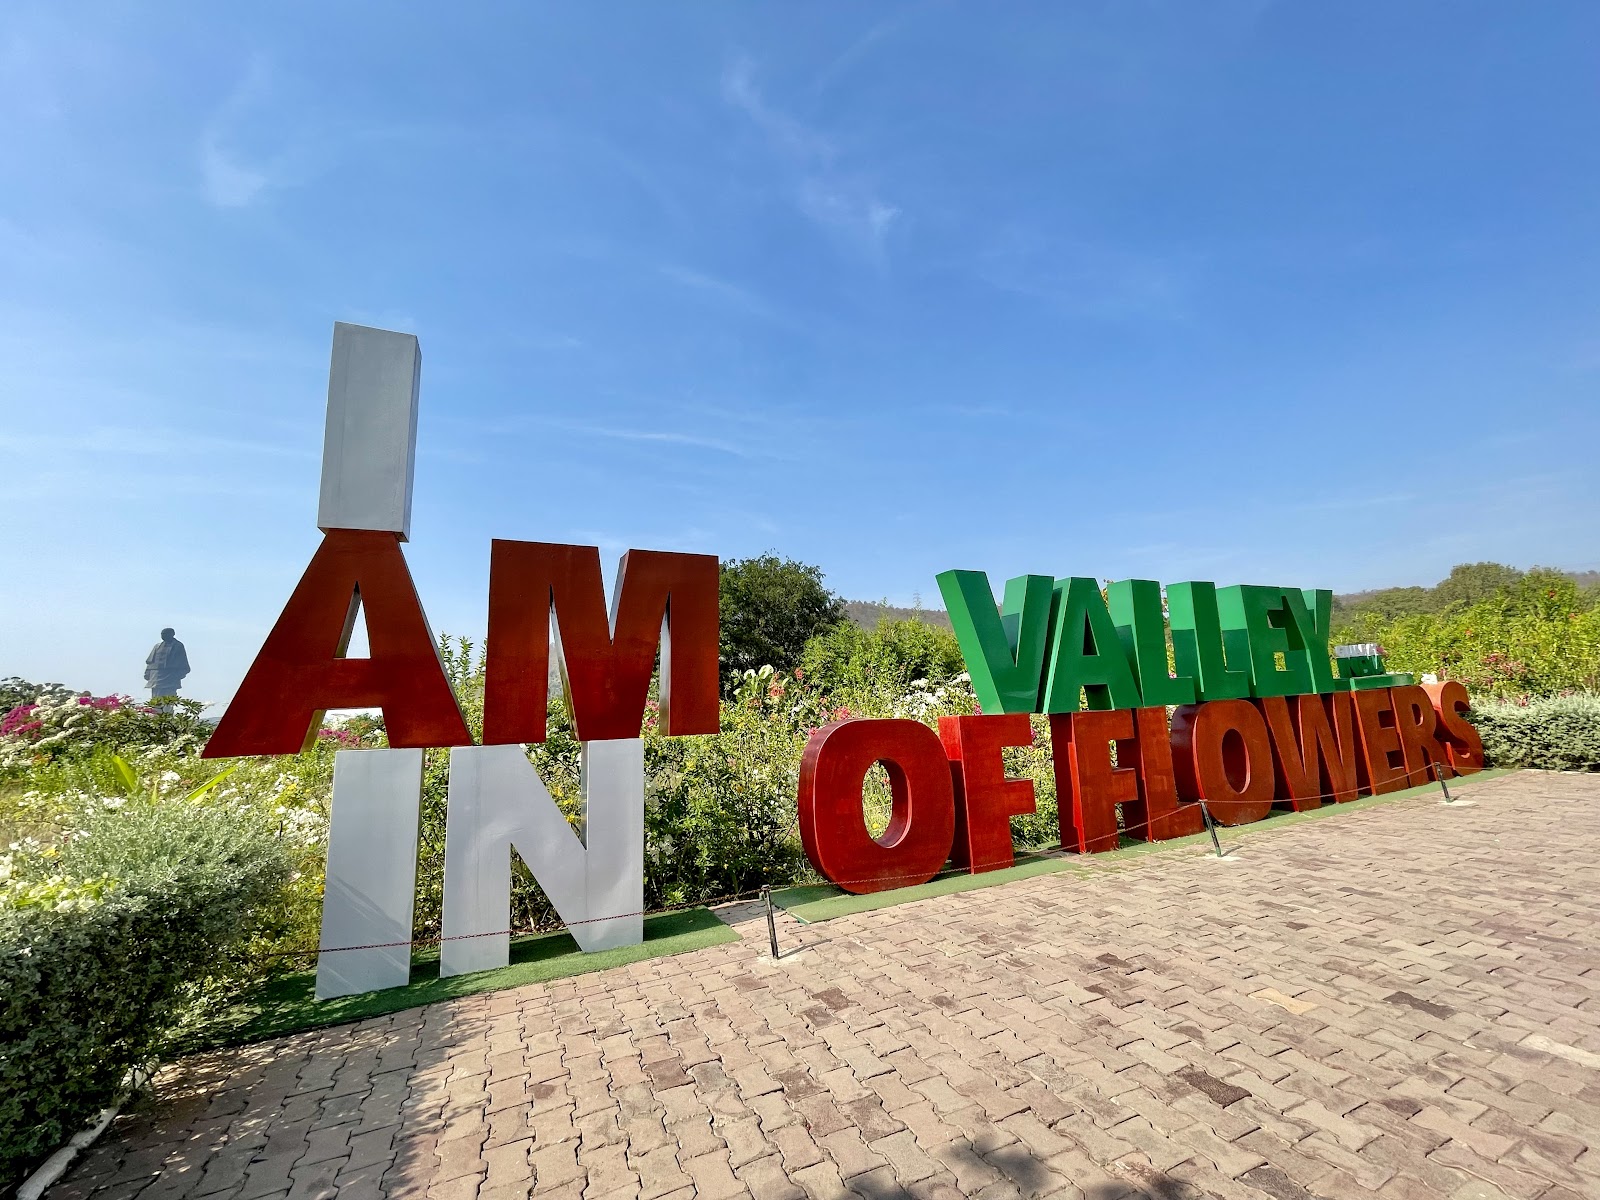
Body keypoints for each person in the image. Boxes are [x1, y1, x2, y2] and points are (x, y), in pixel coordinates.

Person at [145, 628, 190, 702]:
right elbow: (150, 661)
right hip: (155, 676)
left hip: (170, 676)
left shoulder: (178, 645)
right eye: (162, 634)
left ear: (172, 634)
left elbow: (183, 662)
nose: (163, 636)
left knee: (168, 699)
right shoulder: (157, 646)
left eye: (165, 634)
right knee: (156, 699)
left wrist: (178, 675)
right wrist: (147, 672)